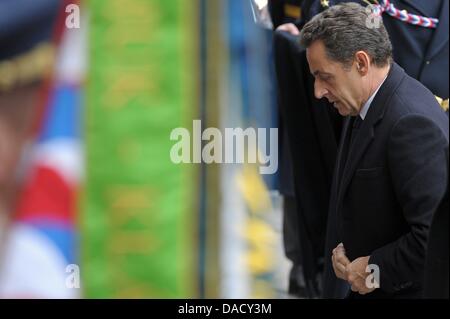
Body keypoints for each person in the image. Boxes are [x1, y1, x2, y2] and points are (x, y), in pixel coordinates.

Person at [300, 2, 449, 298]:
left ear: (361, 63)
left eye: (325, 76)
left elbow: (434, 239)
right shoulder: (366, 103)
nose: (318, 91)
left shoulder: (410, 123)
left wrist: (372, 269)